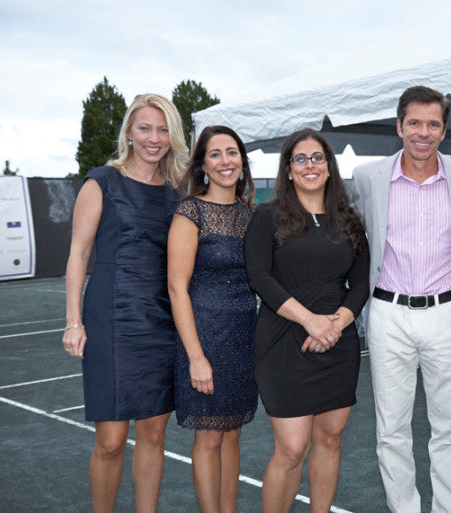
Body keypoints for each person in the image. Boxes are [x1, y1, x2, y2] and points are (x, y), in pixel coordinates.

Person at [62, 93, 188, 513]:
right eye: (145, 128)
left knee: (153, 436)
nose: (154, 137)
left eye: (163, 128)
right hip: (111, 321)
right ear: (129, 134)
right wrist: (73, 321)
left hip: (161, 322)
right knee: (112, 440)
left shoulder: (175, 194)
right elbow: (79, 254)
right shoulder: (102, 181)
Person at [352, 85, 451, 513]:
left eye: (433, 124)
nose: (424, 133)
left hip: (448, 313)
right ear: (399, 125)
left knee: (449, 427)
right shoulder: (369, 177)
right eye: (415, 123)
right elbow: (337, 223)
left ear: (444, 129)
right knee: (391, 430)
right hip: (388, 312)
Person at [243, 128, 369, 513]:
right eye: (301, 159)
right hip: (284, 340)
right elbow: (259, 277)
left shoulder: (348, 220)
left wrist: (337, 323)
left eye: (318, 158)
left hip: (338, 341)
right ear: (289, 169)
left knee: (330, 439)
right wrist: (311, 322)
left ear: (330, 167)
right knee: (292, 448)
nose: (310, 165)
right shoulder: (267, 216)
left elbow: (362, 281)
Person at [167, 125, 258, 513]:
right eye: (216, 154)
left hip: (243, 338)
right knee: (208, 438)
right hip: (204, 336)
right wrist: (196, 356)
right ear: (203, 164)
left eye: (232, 152)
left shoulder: (251, 215)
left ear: (242, 160)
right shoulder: (191, 211)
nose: (226, 161)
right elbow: (176, 287)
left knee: (232, 434)